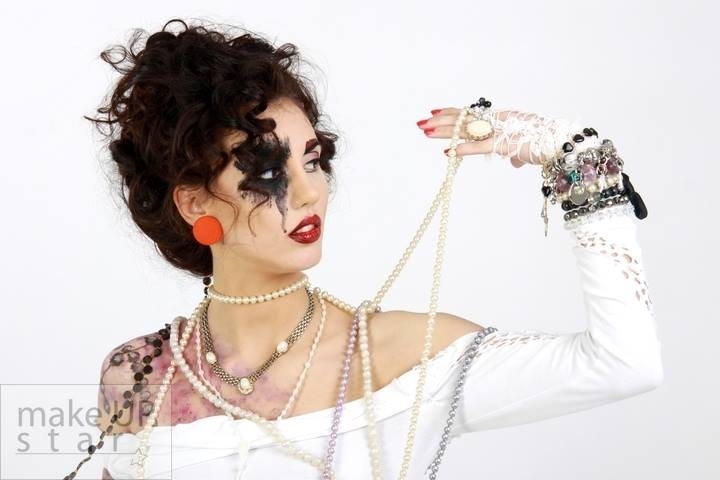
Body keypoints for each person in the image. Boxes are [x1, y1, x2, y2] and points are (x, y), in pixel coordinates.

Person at [62, 18, 663, 480]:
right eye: (268, 172)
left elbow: (624, 364)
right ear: (196, 204)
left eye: (313, 160)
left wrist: (575, 154)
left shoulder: (404, 357)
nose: (309, 192)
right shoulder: (140, 374)